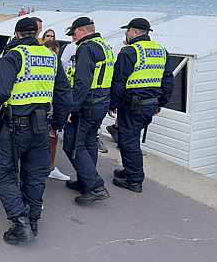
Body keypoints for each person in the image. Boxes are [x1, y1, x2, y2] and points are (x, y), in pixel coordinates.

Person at [0, 18, 71, 244]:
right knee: (34, 174)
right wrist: (57, 123)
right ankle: (33, 221)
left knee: (1, 173)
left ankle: (20, 221)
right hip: (41, 125)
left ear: (17, 33)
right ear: (36, 32)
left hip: (16, 125)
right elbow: (63, 93)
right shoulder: (51, 57)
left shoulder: (14, 55)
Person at [109, 18, 174, 193]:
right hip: (150, 104)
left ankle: (134, 180)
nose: (126, 34)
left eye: (128, 31)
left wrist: (112, 104)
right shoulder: (161, 51)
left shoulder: (129, 51)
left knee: (128, 142)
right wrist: (161, 102)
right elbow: (168, 80)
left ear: (135, 32)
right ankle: (129, 170)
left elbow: (118, 82)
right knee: (131, 139)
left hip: (132, 105)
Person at [62, 17, 113, 203]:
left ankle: (95, 186)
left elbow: (82, 82)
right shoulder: (104, 46)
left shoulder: (86, 47)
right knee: (89, 142)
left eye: (74, 33)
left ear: (83, 30)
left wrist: (71, 108)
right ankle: (84, 182)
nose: (73, 38)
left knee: (72, 144)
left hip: (87, 104)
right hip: (101, 102)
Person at [43, 40, 69, 181]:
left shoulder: (59, 67)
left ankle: (51, 167)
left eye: (56, 54)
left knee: (53, 137)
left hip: (54, 108)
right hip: (41, 109)